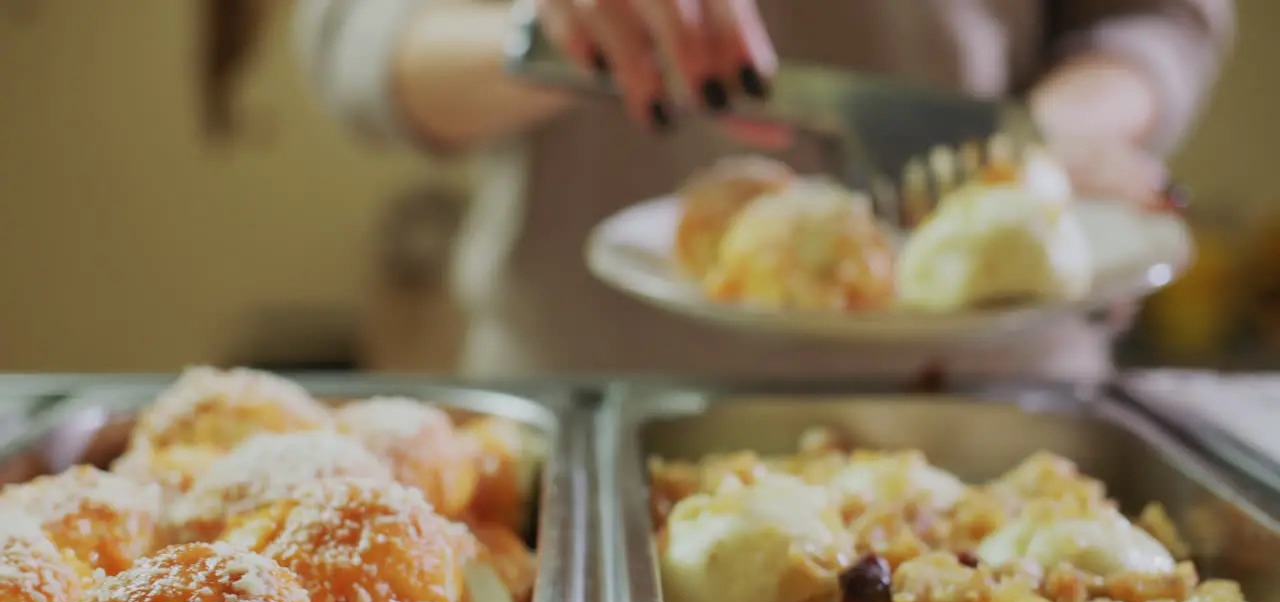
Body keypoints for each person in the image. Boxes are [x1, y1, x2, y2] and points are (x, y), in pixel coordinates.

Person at [295, 0, 1234, 379]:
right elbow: (355, 39)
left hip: (994, 407)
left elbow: (1160, 16)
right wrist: (551, 30)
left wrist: (1067, 129)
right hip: (601, 398)